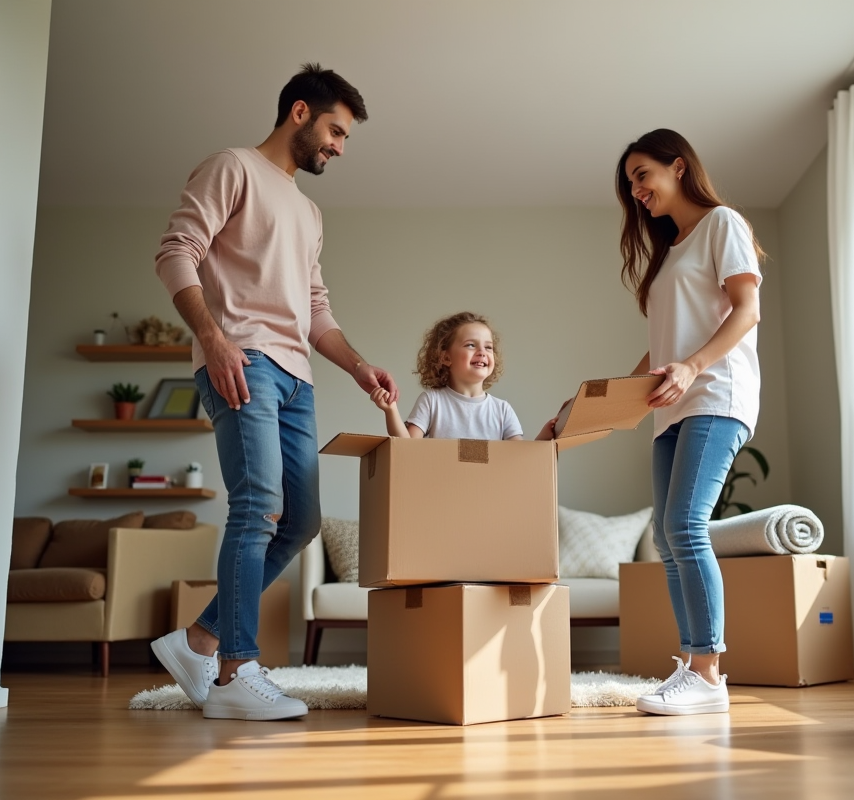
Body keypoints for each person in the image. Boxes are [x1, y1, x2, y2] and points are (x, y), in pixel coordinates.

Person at [149, 64, 398, 721]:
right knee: (258, 502)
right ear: (298, 113)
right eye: (336, 131)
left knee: (301, 520)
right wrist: (213, 338)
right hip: (242, 361)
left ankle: (200, 639)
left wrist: (359, 366)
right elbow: (176, 251)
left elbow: (316, 309)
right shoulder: (231, 167)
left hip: (296, 378)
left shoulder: (310, 211)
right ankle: (235, 673)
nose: (340, 147)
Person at [616, 129, 763, 716]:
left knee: (685, 525)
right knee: (668, 537)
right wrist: (595, 405)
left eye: (642, 175)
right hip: (671, 405)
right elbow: (659, 355)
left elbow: (747, 310)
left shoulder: (722, 223)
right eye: (630, 184)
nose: (636, 191)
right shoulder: (671, 251)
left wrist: (695, 366)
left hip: (715, 396)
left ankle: (708, 672)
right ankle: (693, 666)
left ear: (678, 167)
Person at [371, 311, 556, 440]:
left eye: (488, 347)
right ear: (445, 357)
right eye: (470, 345)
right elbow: (406, 447)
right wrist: (391, 410)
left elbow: (519, 458)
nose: (482, 352)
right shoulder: (432, 401)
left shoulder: (502, 410)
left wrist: (543, 438)